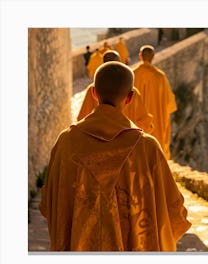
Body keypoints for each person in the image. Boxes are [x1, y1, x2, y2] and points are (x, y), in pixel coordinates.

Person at [39, 62, 191, 251]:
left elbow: (51, 205)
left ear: (93, 93)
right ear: (130, 97)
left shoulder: (66, 142)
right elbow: (172, 213)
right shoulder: (146, 147)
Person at [77, 50, 154, 134]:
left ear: (94, 93)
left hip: (97, 142)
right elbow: (145, 124)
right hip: (128, 142)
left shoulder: (92, 89)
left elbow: (82, 119)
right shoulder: (131, 91)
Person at [133, 45, 177, 159]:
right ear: (153, 57)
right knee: (155, 154)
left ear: (140, 56)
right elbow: (169, 103)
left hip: (136, 122)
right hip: (156, 123)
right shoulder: (160, 77)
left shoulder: (132, 75)